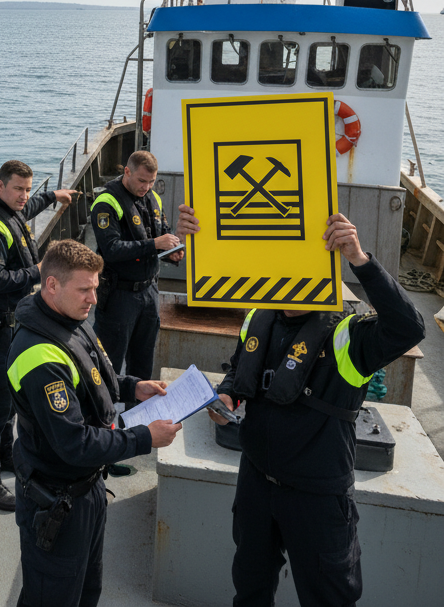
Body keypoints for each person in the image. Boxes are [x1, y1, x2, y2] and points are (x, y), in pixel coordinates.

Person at [177, 205, 425, 607]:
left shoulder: (348, 336)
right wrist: (227, 394)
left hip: (317, 498)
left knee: (328, 598)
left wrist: (360, 260)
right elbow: (240, 368)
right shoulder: (258, 318)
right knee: (250, 587)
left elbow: (409, 328)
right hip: (256, 483)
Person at [6, 239, 182, 607]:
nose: (93, 299)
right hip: (57, 499)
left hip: (86, 490)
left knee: (87, 587)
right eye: (84, 289)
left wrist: (133, 387)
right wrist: (144, 438)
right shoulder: (39, 356)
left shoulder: (70, 319)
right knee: (52, 596)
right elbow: (75, 443)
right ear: (52, 285)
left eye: (96, 288)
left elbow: (96, 377)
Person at [0, 160, 77, 511]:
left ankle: (5, 457)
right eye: (18, 188)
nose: (24, 196)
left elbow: (29, 207)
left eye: (28, 189)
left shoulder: (11, 209)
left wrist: (53, 195)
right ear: (0, 186)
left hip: (14, 325)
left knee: (10, 400)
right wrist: (38, 271)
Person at [89, 149, 182, 380]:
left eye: (151, 181)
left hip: (149, 293)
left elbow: (161, 233)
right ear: (127, 172)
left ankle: (139, 404)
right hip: (119, 296)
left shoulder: (154, 197)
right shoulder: (106, 202)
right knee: (107, 365)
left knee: (143, 363)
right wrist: (155, 244)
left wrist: (170, 253)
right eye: (142, 181)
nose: (146, 187)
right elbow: (111, 250)